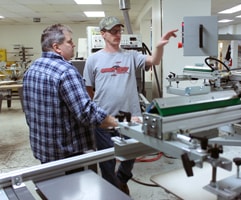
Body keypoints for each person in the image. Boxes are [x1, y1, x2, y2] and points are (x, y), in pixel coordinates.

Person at [83, 16, 178, 194]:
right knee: (107, 160)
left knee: (132, 153)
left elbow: (154, 61)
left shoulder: (131, 56)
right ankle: (113, 191)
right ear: (103, 34)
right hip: (104, 118)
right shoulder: (93, 59)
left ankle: (121, 179)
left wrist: (159, 47)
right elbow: (88, 88)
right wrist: (98, 106)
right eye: (113, 31)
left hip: (131, 117)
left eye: (119, 31)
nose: (117, 34)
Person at [23, 24, 118, 164]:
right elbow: (86, 113)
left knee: (51, 184)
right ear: (56, 47)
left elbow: (29, 111)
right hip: (67, 154)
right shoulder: (66, 71)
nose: (73, 45)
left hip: (43, 148)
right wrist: (118, 122)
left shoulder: (33, 68)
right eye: (69, 41)